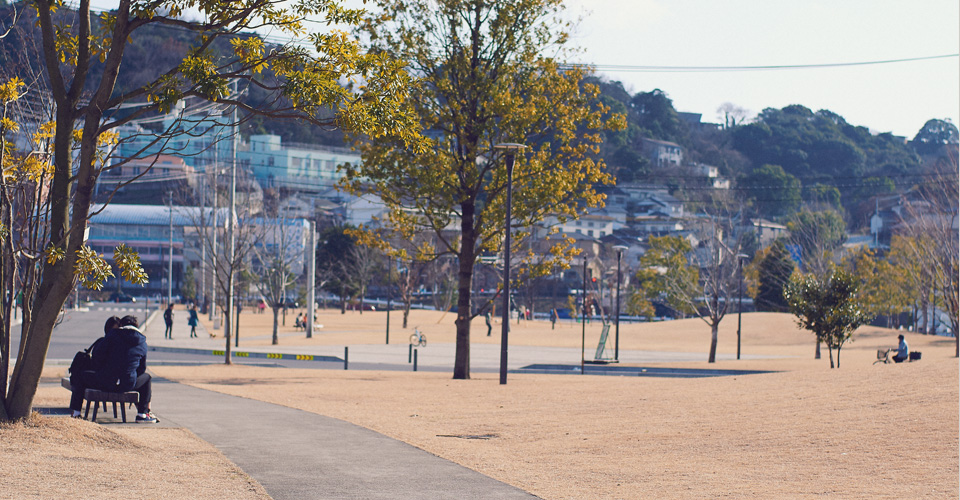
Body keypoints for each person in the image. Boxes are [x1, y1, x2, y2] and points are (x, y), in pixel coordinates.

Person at [70, 315, 157, 423]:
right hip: (127, 384)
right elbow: (141, 369)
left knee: (81, 376)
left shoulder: (112, 335)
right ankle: (142, 414)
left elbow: (97, 356)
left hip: (105, 381)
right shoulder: (142, 342)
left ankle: (76, 413)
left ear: (121, 325)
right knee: (147, 378)